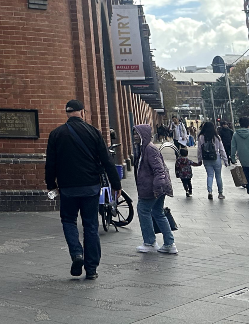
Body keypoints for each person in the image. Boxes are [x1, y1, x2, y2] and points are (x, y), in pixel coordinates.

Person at [44, 99, 121, 280]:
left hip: (68, 188)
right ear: (82, 112)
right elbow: (106, 161)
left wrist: (51, 185)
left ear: (67, 113)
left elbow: (50, 164)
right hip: (91, 187)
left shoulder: (56, 134)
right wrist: (116, 184)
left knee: (69, 221)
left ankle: (77, 254)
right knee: (91, 226)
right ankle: (92, 268)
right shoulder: (94, 132)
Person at [134, 124, 176, 254]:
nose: (134, 136)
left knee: (143, 210)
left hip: (153, 188)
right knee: (158, 213)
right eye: (134, 134)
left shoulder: (149, 149)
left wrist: (157, 187)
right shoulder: (143, 149)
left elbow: (159, 169)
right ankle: (169, 244)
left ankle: (150, 242)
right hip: (156, 187)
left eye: (137, 134)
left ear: (144, 135)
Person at [196, 120, 228, 200]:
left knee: (210, 175)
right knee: (218, 176)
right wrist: (225, 160)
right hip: (216, 157)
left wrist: (199, 159)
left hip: (206, 158)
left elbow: (199, 149)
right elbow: (222, 149)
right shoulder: (216, 137)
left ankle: (210, 192)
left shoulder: (201, 137)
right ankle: (220, 193)